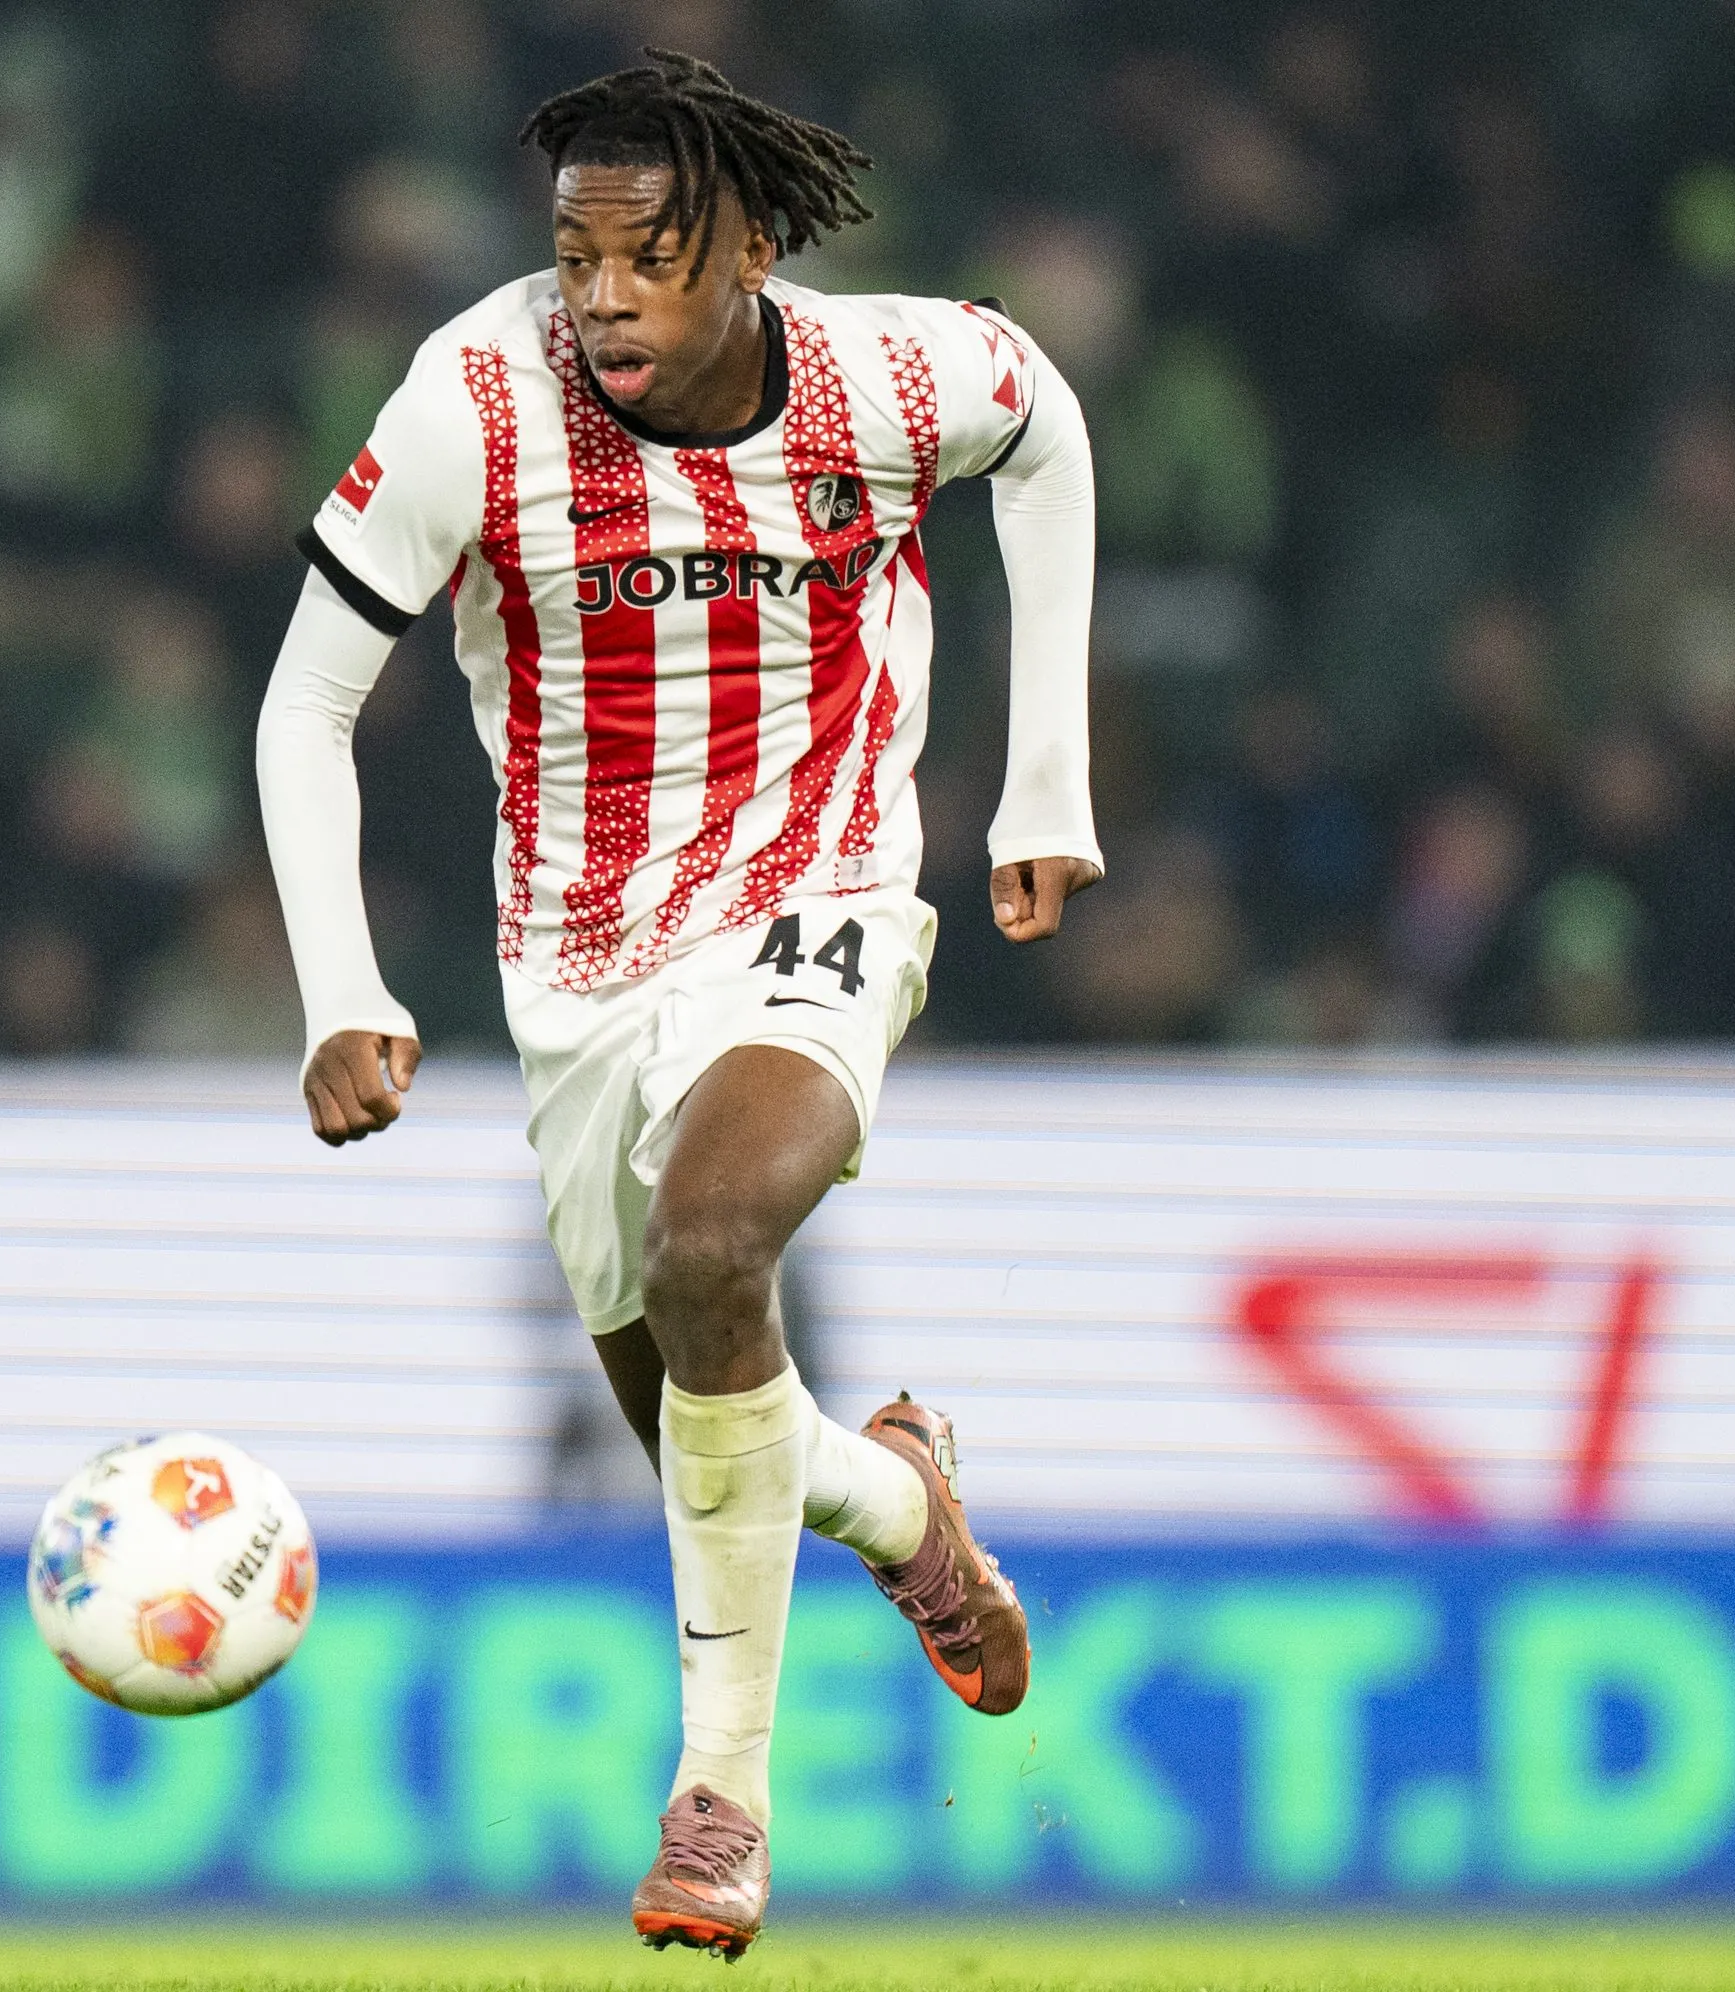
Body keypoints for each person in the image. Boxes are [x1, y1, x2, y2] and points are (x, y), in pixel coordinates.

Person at [254, 50, 1101, 1955]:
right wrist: (336, 987)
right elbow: (305, 701)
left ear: (756, 253)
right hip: (577, 960)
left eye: (652, 258)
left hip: (819, 889)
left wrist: (1042, 779)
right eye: (578, 258)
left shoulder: (887, 376)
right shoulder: (473, 401)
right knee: (711, 1434)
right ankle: (898, 1504)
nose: (606, 299)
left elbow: (1043, 423)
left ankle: (720, 1802)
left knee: (718, 1246)